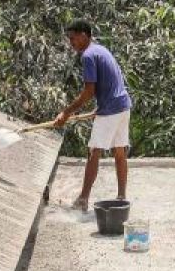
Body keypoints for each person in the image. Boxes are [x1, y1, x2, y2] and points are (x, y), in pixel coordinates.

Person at [54, 20, 133, 212]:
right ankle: (121, 196)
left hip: (111, 109)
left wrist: (66, 112)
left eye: (73, 38)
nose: (71, 43)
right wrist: (99, 108)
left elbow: (89, 91)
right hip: (122, 105)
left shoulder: (88, 56)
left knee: (93, 152)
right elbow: (110, 83)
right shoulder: (100, 49)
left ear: (84, 35)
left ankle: (83, 199)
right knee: (120, 152)